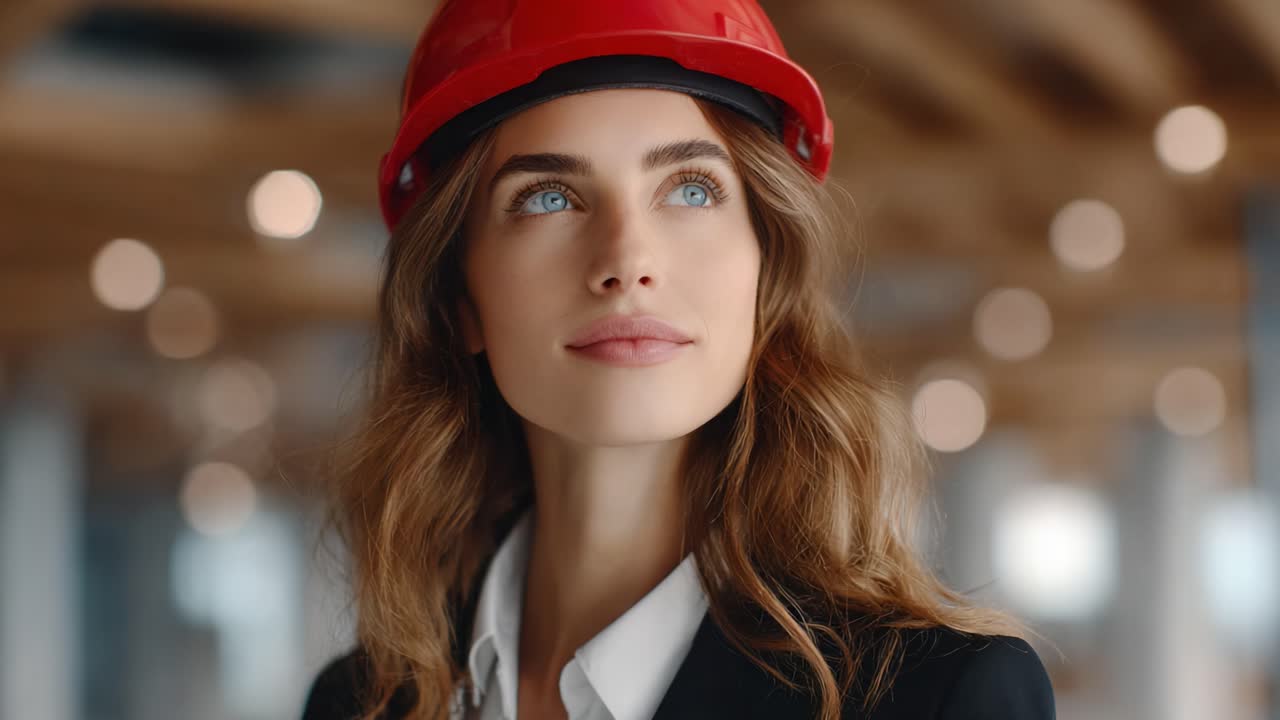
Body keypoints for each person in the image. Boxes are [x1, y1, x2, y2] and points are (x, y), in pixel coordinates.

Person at [302, 1, 1057, 719]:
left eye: (692, 189)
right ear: (458, 297)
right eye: (548, 197)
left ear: (767, 273)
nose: (628, 261)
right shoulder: (361, 704)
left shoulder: (934, 700)